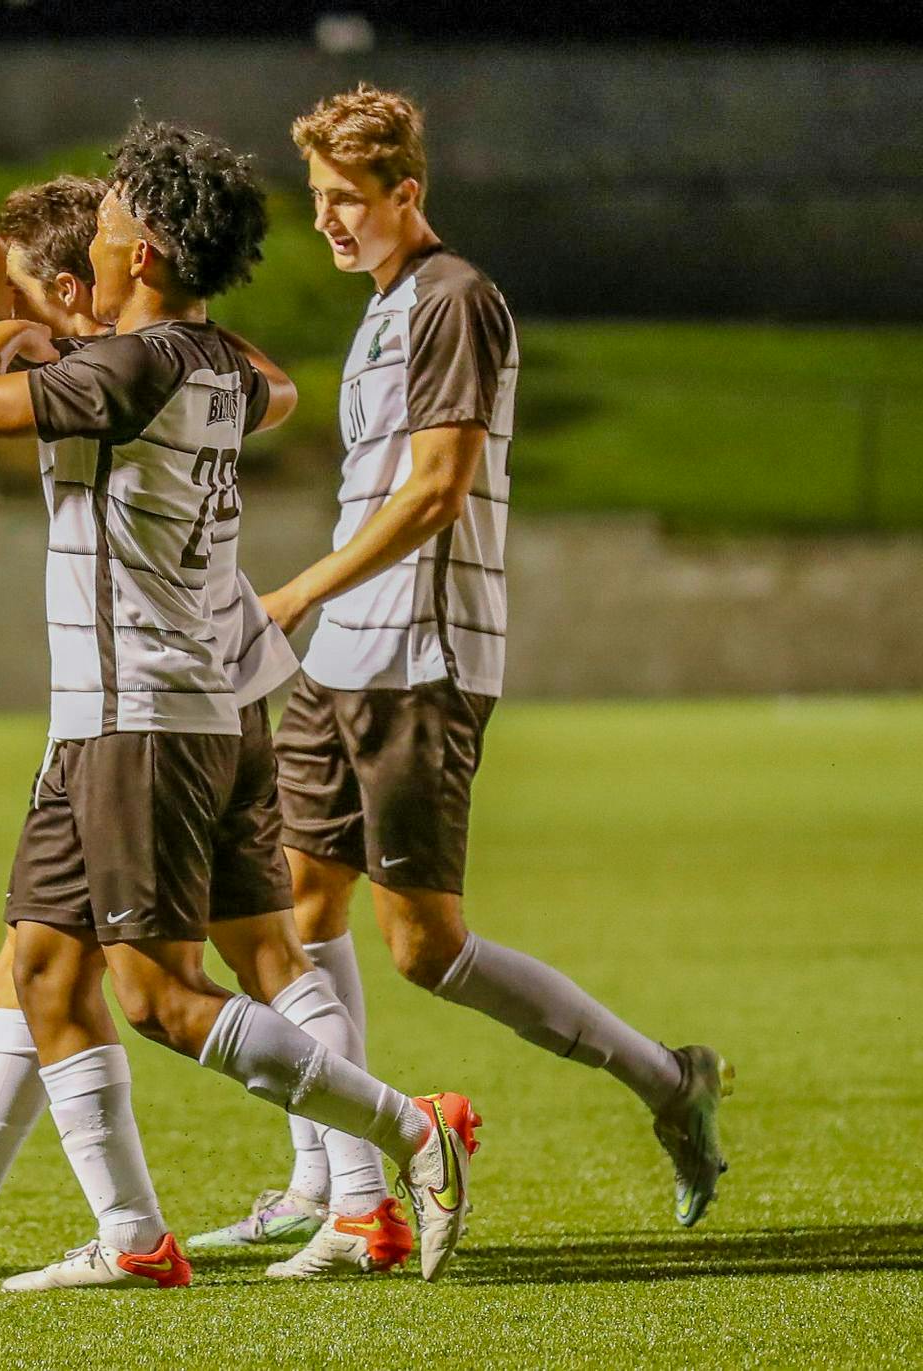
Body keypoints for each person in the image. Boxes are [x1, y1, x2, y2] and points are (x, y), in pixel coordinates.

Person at [0, 119, 479, 1292]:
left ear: (142, 252)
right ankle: (136, 1240)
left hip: (138, 712)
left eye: (107, 230)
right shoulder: (221, 364)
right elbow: (268, 385)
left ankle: (413, 1133)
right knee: (48, 970)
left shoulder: (125, 369)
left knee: (156, 997)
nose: (93, 250)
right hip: (208, 700)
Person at [220, 84, 731, 1243]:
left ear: (411, 193)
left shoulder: (453, 299)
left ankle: (668, 1081)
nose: (331, 223)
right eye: (319, 202)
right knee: (296, 911)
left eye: (350, 201)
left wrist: (296, 589)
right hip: (345, 657)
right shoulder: (386, 302)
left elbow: (439, 489)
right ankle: (335, 1191)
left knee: (424, 948)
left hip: (421, 656)